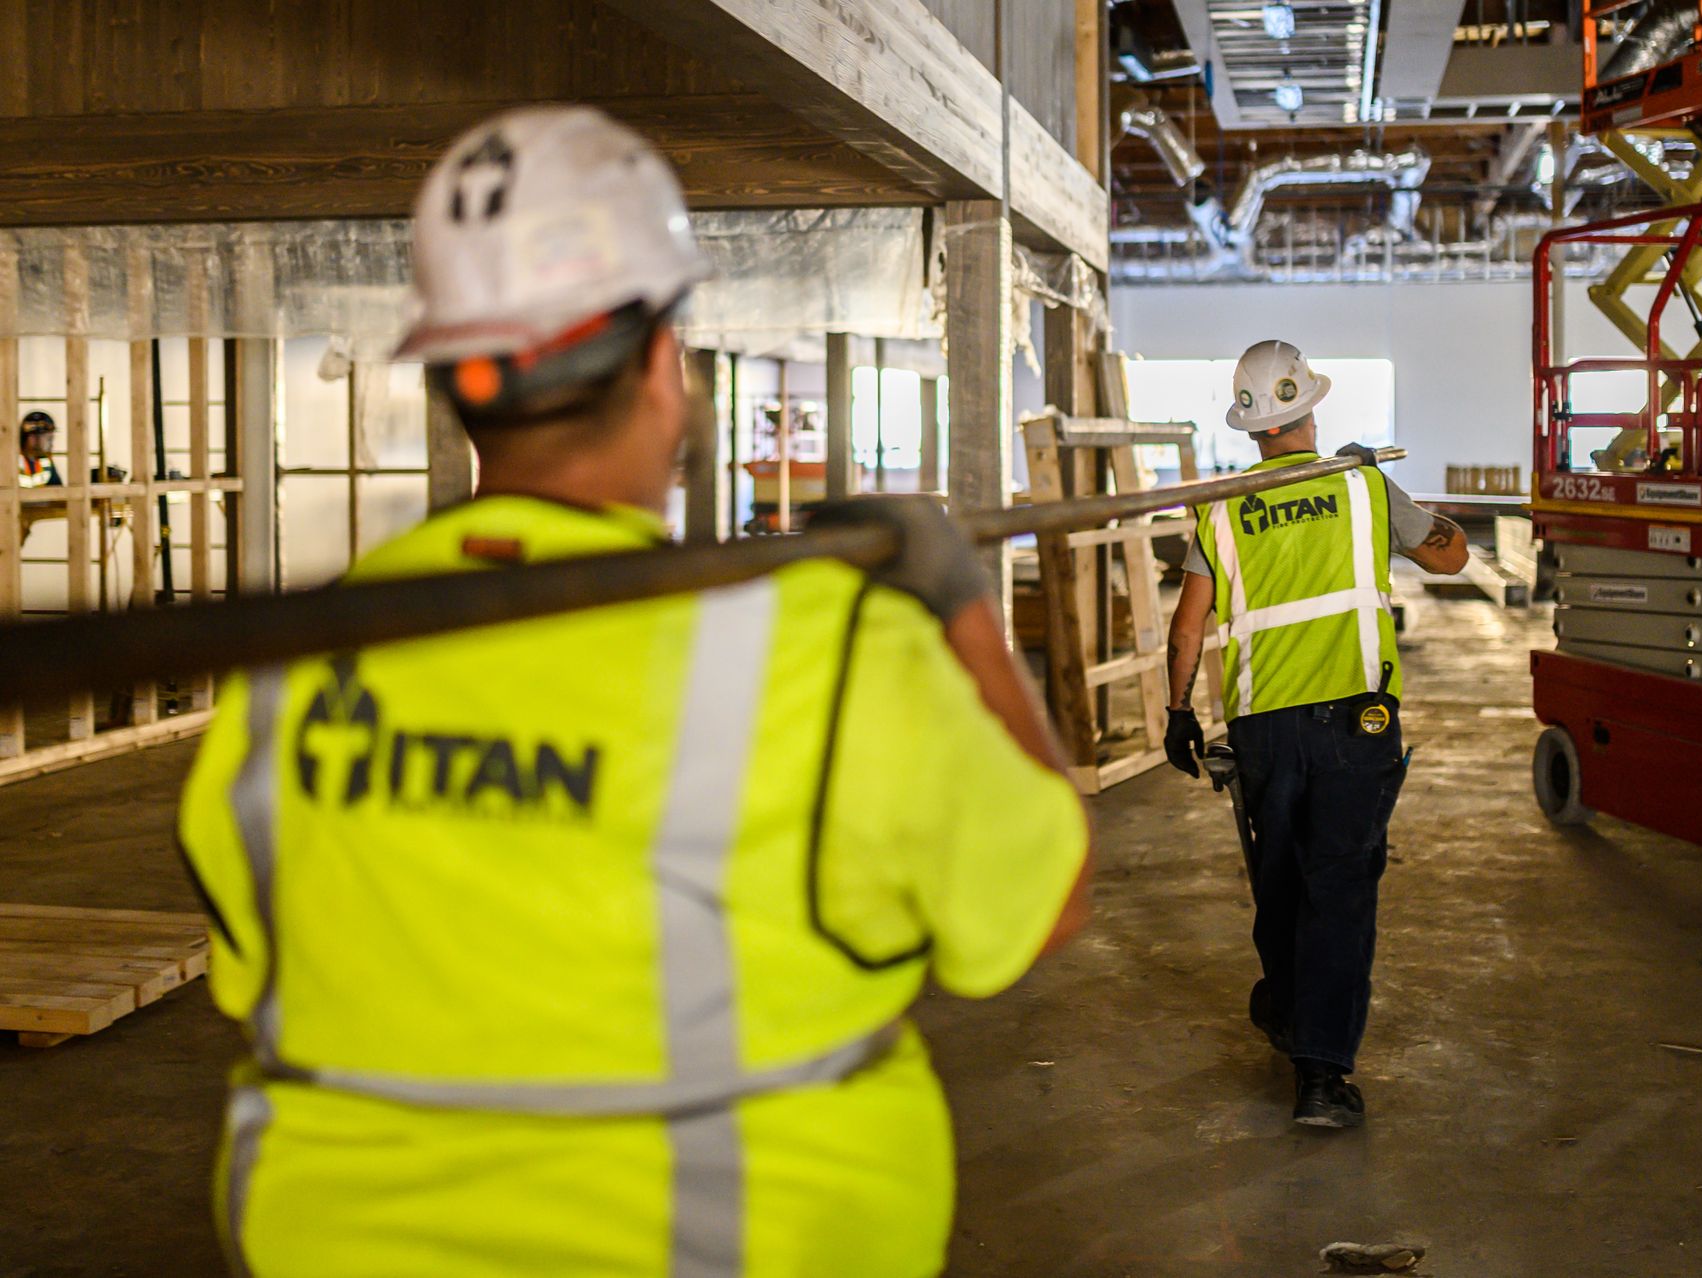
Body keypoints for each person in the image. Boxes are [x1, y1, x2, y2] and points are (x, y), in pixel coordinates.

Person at [177, 105, 1091, 1277]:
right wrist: (960, 604)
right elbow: (1045, 899)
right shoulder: (820, 650)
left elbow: (254, 964)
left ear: (460, 380)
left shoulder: (300, 657)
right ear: (666, 362)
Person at [1160, 340, 1466, 1129]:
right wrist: (1405, 502)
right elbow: (1454, 558)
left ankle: (1290, 1012)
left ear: (1250, 424)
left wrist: (1177, 710)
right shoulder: (1362, 484)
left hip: (1264, 726)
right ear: (1311, 408)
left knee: (1283, 878)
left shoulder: (1221, 505)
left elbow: (1187, 625)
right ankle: (1321, 1077)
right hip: (1353, 722)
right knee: (1338, 892)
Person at [19, 411, 60, 487]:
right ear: (32, 438)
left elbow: (58, 491)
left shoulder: (45, 462)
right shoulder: (11, 463)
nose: (51, 445)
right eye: (49, 439)